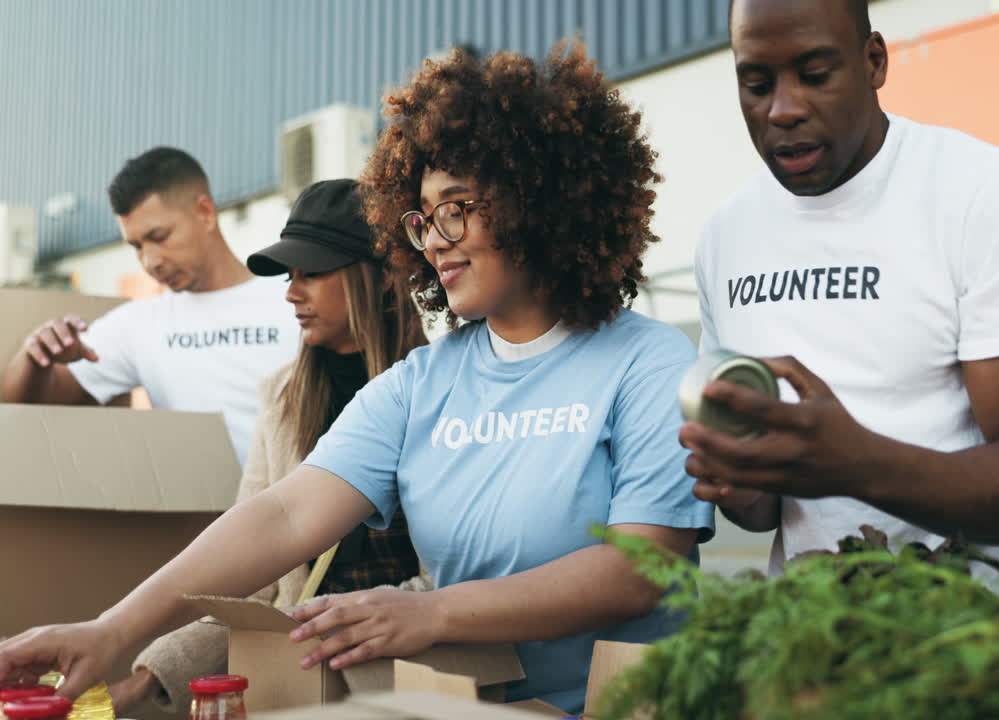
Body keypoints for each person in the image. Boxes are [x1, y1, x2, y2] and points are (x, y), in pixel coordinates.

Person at [0, 44, 713, 714]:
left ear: (544, 201)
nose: (434, 239)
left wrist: (430, 612)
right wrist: (113, 629)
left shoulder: (647, 362)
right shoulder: (423, 382)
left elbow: (640, 567)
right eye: (422, 218)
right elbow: (283, 514)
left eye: (457, 209)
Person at [683, 0, 999, 582]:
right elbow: (762, 512)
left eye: (815, 75)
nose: (783, 109)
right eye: (756, 84)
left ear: (874, 61)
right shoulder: (726, 232)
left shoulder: (984, 192)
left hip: (977, 641)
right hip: (807, 639)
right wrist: (742, 486)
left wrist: (855, 463)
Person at [108, 179, 431, 714]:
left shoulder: (443, 391)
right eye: (288, 275)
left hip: (418, 678)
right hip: (298, 678)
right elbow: (249, 588)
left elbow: (462, 577)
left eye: (312, 273)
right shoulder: (283, 399)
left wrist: (371, 616)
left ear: (380, 278)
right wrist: (144, 681)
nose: (290, 292)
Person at [0, 147, 298, 465]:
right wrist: (36, 357)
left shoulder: (294, 301)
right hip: (197, 513)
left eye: (160, 236)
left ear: (205, 212)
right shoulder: (140, 324)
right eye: (136, 245)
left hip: (306, 510)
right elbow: (25, 406)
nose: (150, 261)